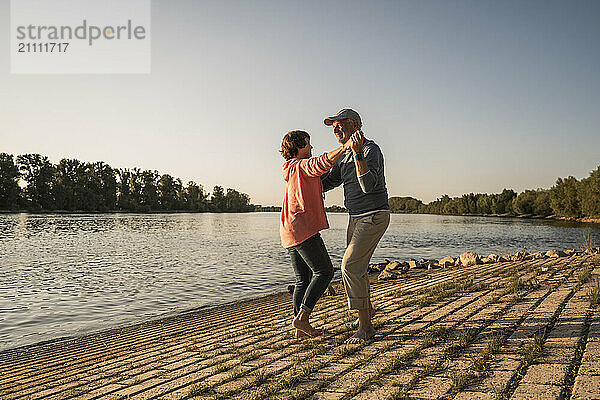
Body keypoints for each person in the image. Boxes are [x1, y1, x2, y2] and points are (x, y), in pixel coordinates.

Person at [321, 108, 390, 343]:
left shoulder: (370, 149)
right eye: (333, 126)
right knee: (358, 268)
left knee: (349, 266)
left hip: (374, 215)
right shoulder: (343, 156)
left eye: (340, 124)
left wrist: (358, 154)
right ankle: (367, 312)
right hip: (355, 217)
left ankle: (366, 328)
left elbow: (369, 186)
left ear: (355, 125)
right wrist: (302, 178)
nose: (335, 128)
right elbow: (328, 181)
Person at [280, 130, 353, 338]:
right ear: (300, 145)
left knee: (302, 279)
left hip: (290, 230)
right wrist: (344, 147)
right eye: (309, 144)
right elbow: (320, 163)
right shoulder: (300, 166)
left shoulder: (292, 169)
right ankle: (302, 318)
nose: (311, 148)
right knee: (324, 272)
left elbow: (322, 176)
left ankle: (300, 330)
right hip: (303, 228)